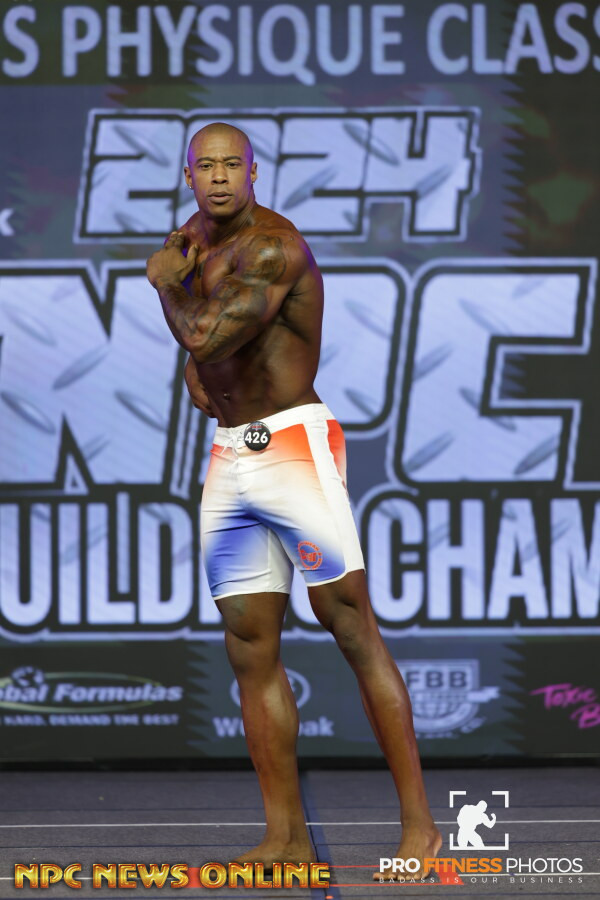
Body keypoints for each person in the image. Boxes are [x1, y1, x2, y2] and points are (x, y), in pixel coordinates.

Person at [146, 122, 442, 880]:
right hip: (231, 454)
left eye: (231, 165)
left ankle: (421, 827)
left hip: (293, 446)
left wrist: (166, 286)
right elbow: (203, 356)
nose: (219, 177)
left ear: (254, 172)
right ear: (188, 175)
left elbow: (205, 335)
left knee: (348, 621)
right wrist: (199, 372)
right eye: (205, 166)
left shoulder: (274, 247)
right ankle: (286, 840)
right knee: (249, 644)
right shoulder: (191, 241)